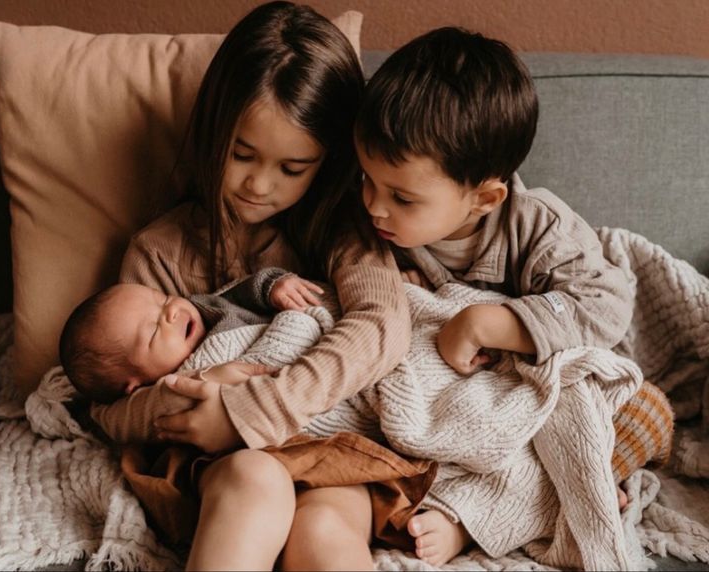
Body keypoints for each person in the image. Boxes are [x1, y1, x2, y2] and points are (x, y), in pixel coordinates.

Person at [108, 2, 431, 571]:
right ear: (214, 132)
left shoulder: (343, 231)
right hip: (221, 460)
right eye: (242, 155)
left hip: (327, 448)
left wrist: (257, 406)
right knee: (256, 481)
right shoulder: (159, 251)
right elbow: (113, 403)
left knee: (327, 529)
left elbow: (381, 325)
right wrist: (206, 393)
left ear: (326, 161)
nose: (260, 185)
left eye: (292, 168)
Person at [354, 26, 673, 565]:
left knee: (648, 414)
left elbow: (605, 305)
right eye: (366, 180)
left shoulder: (536, 224)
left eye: (401, 197)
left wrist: (491, 322)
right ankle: (547, 501)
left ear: (484, 197)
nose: (374, 207)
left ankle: (517, 506)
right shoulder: (371, 231)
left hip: (541, 400)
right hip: (456, 410)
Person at [59, 268, 320, 403]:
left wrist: (273, 286)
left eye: (163, 300)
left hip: (316, 351)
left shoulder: (212, 309)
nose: (172, 312)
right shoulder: (177, 391)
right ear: (135, 386)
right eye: (153, 330)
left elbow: (245, 291)